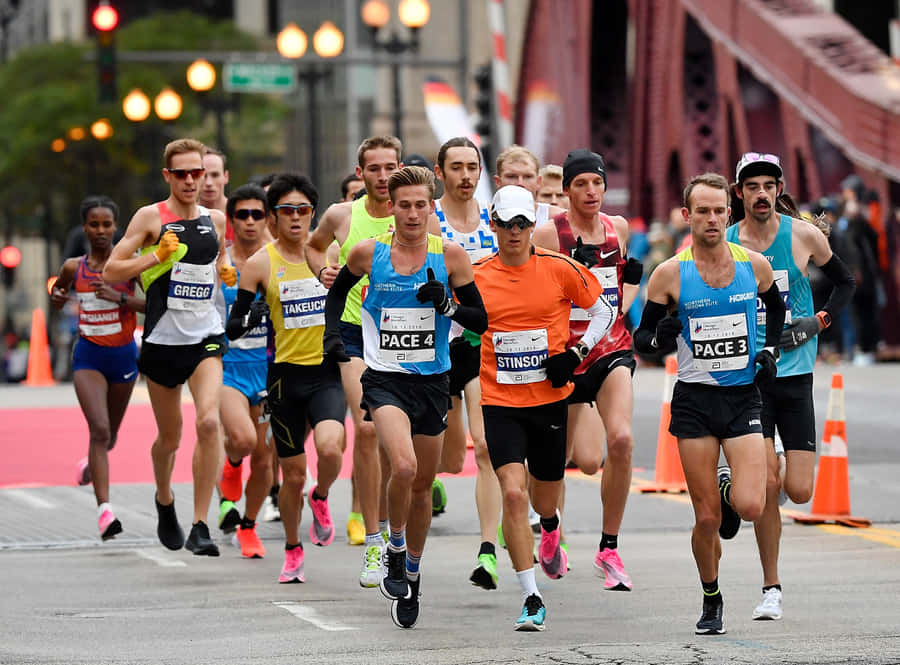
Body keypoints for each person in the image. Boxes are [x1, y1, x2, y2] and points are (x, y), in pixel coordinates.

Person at [323, 166, 487, 628]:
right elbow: (336, 297)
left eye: (421, 204)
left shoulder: (450, 256)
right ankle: (393, 548)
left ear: (432, 207)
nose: (413, 213)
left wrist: (448, 306)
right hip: (385, 379)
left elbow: (481, 320)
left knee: (421, 488)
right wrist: (333, 338)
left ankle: (412, 570)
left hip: (434, 382)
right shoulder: (367, 253)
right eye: (405, 204)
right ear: (390, 208)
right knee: (406, 466)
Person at [634, 172, 785, 635]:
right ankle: (711, 596)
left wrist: (769, 349)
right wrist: (659, 336)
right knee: (705, 518)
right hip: (695, 403)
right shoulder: (669, 274)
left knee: (753, 504)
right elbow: (642, 335)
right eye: (703, 211)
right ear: (688, 216)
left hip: (742, 398)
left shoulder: (753, 265)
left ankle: (728, 490)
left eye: (720, 210)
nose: (713, 219)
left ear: (729, 211)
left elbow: (776, 308)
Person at [474, 185, 614, 631]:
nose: (515, 232)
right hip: (500, 401)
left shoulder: (558, 268)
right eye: (506, 224)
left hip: (551, 401)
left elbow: (604, 313)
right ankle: (531, 596)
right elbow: (456, 323)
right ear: (493, 224)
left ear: (532, 226)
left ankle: (550, 526)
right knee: (513, 494)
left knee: (544, 497)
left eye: (522, 224)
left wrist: (575, 355)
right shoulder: (477, 275)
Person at [726, 153, 855, 621]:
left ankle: (757, 475)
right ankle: (771, 587)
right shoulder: (728, 243)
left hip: (796, 373)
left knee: (799, 491)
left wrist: (816, 322)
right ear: (738, 193)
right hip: (748, 377)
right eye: (751, 187)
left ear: (779, 189)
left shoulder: (803, 234)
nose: (761, 194)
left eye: (768, 185)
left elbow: (846, 281)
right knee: (764, 486)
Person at [307, 136, 441, 587]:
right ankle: (373, 542)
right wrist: (321, 272)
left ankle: (394, 526)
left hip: (411, 341)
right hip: (355, 333)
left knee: (398, 452)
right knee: (366, 430)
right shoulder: (343, 216)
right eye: (373, 168)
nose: (382, 176)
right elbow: (314, 247)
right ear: (360, 172)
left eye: (390, 167)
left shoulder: (424, 218)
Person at [103, 138, 234, 557]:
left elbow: (220, 261)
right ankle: (164, 499)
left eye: (198, 172)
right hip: (162, 340)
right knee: (170, 437)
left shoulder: (215, 219)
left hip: (206, 336)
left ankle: (200, 525)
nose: (192, 180)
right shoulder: (150, 217)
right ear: (168, 176)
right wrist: (153, 256)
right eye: (183, 174)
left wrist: (227, 271)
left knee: (209, 423)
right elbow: (111, 270)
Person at [532, 149, 643, 591]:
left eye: (597, 183)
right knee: (552, 462)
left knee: (621, 439)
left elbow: (624, 279)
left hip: (609, 348)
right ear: (567, 191)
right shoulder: (547, 234)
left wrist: (622, 310)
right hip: (562, 354)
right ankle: (550, 525)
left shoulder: (617, 228)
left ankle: (609, 547)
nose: (591, 191)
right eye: (581, 184)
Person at [227, 173, 345, 582]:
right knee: (292, 475)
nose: (296, 218)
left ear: (313, 213)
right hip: (283, 380)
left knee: (331, 449)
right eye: (286, 211)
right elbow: (233, 326)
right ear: (273, 219)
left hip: (327, 372)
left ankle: (323, 494)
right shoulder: (260, 263)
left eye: (304, 210)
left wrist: (340, 283)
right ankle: (293, 548)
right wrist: (251, 316)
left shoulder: (327, 256)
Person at [50, 196, 145, 540]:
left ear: (116, 227)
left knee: (110, 437)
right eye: (94, 224)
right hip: (88, 357)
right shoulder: (74, 267)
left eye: (107, 225)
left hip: (122, 358)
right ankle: (105, 512)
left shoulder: (131, 264)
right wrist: (59, 297)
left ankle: (91, 466)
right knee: (100, 430)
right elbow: (58, 290)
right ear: (85, 228)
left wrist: (120, 297)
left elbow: (154, 303)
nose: (101, 231)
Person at [431, 136, 501, 589]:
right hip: (436, 348)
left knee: (486, 446)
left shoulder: (496, 223)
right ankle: (430, 476)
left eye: (472, 167)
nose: (465, 175)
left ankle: (488, 550)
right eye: (455, 167)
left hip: (482, 345)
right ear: (440, 172)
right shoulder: (430, 222)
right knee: (452, 460)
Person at [214, 184, 274, 559]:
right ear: (232, 220)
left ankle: (249, 526)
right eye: (242, 215)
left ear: (267, 218)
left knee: (267, 457)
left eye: (257, 214)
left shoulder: (277, 259)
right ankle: (232, 463)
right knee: (243, 439)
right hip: (228, 368)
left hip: (269, 369)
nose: (250, 221)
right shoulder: (220, 263)